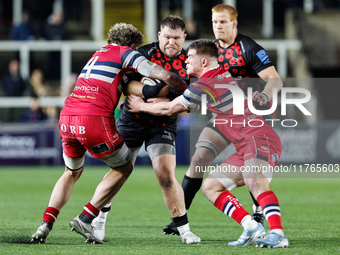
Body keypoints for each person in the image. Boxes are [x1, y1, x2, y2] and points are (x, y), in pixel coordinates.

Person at [30, 22, 188, 245]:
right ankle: (87, 216)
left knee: (70, 172)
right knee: (124, 167)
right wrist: (183, 87)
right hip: (93, 119)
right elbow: (163, 75)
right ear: (133, 45)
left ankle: (45, 224)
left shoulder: (98, 53)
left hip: (67, 117)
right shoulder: (127, 53)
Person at [127, 38, 289, 248]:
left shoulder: (207, 82)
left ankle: (278, 233)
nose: (185, 60)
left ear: (204, 62)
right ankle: (251, 226)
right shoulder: (219, 75)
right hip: (245, 143)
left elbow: (170, 109)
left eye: (190, 56)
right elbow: (194, 104)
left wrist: (142, 106)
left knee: (254, 181)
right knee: (212, 187)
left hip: (257, 138)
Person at [163, 3, 284, 235]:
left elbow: (275, 80)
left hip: (250, 114)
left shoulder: (248, 47)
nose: (217, 27)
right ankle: (180, 218)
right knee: (199, 158)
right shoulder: (212, 50)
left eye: (222, 22)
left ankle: (258, 214)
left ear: (234, 23)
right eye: (214, 22)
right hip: (222, 114)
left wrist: (264, 97)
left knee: (252, 165)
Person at [91, 16, 201, 244]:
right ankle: (98, 222)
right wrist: (151, 94)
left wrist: (154, 102)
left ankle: (185, 230)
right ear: (159, 36)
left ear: (184, 38)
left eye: (176, 38)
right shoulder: (144, 54)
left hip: (163, 123)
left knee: (166, 175)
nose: (171, 42)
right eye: (167, 37)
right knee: (119, 172)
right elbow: (126, 84)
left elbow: (189, 102)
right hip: (132, 119)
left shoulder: (191, 62)